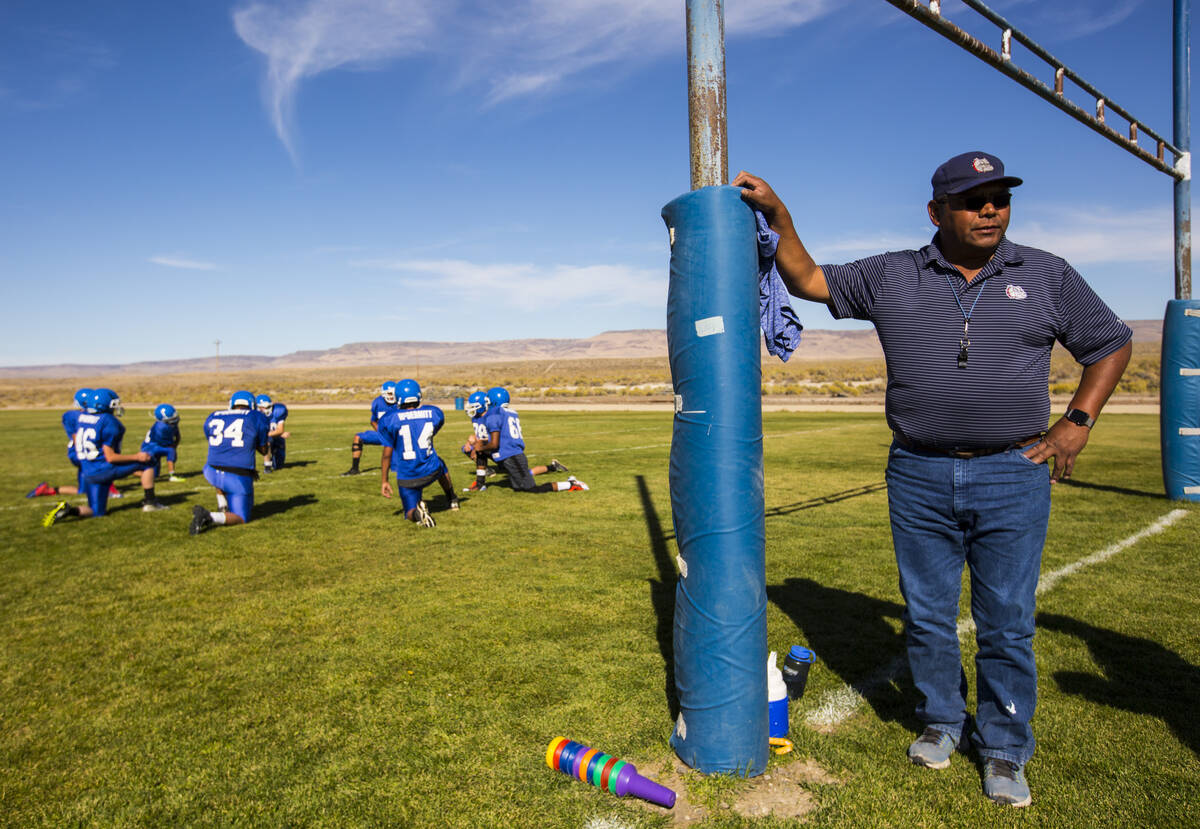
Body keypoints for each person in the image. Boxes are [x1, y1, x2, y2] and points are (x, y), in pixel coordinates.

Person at [733, 152, 1132, 809]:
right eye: (974, 200)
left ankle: (1004, 747)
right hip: (917, 470)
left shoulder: (1047, 274)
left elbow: (1110, 342)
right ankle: (943, 722)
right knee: (926, 613)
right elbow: (805, 278)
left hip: (1013, 470)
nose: (990, 210)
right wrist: (779, 213)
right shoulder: (893, 274)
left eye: (1000, 198)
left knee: (1006, 619)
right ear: (936, 211)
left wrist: (1077, 421)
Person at [43, 388, 167, 526]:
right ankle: (150, 502)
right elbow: (111, 457)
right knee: (149, 462)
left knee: (96, 512)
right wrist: (137, 457)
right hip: (103, 469)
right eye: (114, 404)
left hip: (88, 471)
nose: (116, 407)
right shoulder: (109, 421)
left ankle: (69, 510)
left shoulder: (81, 418)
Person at [377, 379, 457, 527]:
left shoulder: (389, 419)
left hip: (408, 477)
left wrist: (384, 481)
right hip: (431, 470)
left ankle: (417, 514)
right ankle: (452, 498)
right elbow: (433, 430)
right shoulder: (433, 412)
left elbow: (387, 454)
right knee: (440, 463)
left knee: (408, 512)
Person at [476, 387, 586, 494]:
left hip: (512, 456)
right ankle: (479, 484)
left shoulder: (495, 413)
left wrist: (480, 447)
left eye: (488, 401)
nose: (487, 404)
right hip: (511, 454)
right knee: (518, 489)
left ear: (493, 401)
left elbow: (494, 444)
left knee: (532, 489)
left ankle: (571, 484)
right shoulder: (510, 412)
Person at [190, 390, 270, 535]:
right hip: (237, 474)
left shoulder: (214, 415)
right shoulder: (256, 416)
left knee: (221, 466)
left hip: (211, 470)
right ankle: (209, 516)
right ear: (252, 405)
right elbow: (264, 450)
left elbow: (214, 440)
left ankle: (222, 505)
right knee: (242, 517)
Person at [342, 381, 397, 476]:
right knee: (357, 438)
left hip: (396, 436)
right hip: (383, 434)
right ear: (384, 394)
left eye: (393, 394)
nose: (392, 396)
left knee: (395, 469)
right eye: (389, 394)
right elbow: (373, 421)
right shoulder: (377, 402)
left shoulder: (399, 403)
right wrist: (381, 432)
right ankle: (354, 469)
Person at [141, 404, 183, 482]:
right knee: (170, 451)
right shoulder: (161, 428)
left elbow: (178, 436)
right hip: (150, 448)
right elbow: (168, 445)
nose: (175, 418)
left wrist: (175, 445)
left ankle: (136, 471)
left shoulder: (171, 424)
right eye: (172, 417)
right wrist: (173, 449)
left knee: (155, 475)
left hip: (157, 446)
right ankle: (172, 475)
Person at [255, 394, 290, 472]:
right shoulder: (255, 415)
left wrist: (280, 433)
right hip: (263, 438)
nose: (266, 409)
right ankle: (267, 467)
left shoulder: (278, 411)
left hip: (276, 437)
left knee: (278, 465)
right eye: (263, 407)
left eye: (267, 407)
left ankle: (272, 457)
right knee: (267, 441)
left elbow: (280, 430)